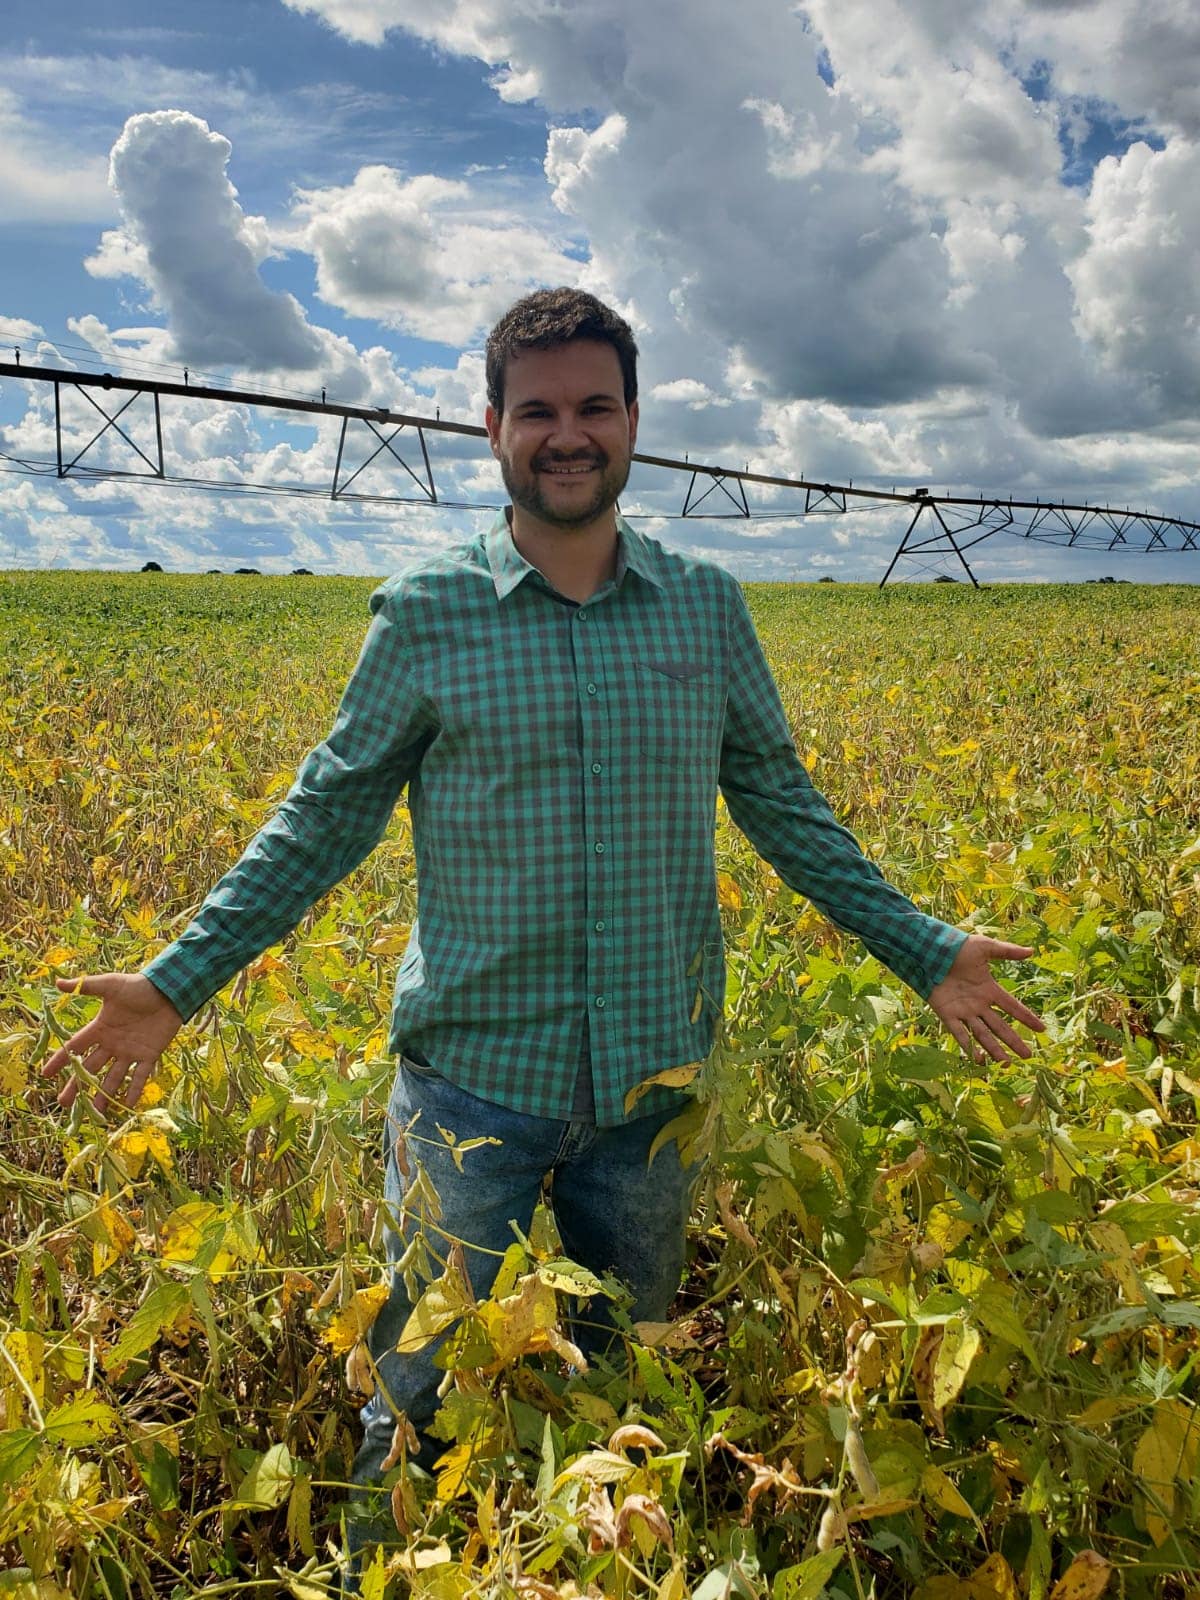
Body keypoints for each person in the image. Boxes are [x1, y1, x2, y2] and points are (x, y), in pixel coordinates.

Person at [43, 286, 1043, 1556]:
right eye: (538, 411)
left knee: (627, 1379)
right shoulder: (424, 618)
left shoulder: (707, 611)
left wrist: (926, 947)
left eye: (593, 407)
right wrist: (178, 982)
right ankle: (373, 1578)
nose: (566, 434)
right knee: (415, 1388)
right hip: (472, 1093)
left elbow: (786, 809)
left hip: (653, 1094)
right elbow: (322, 820)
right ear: (493, 428)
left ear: (632, 422)